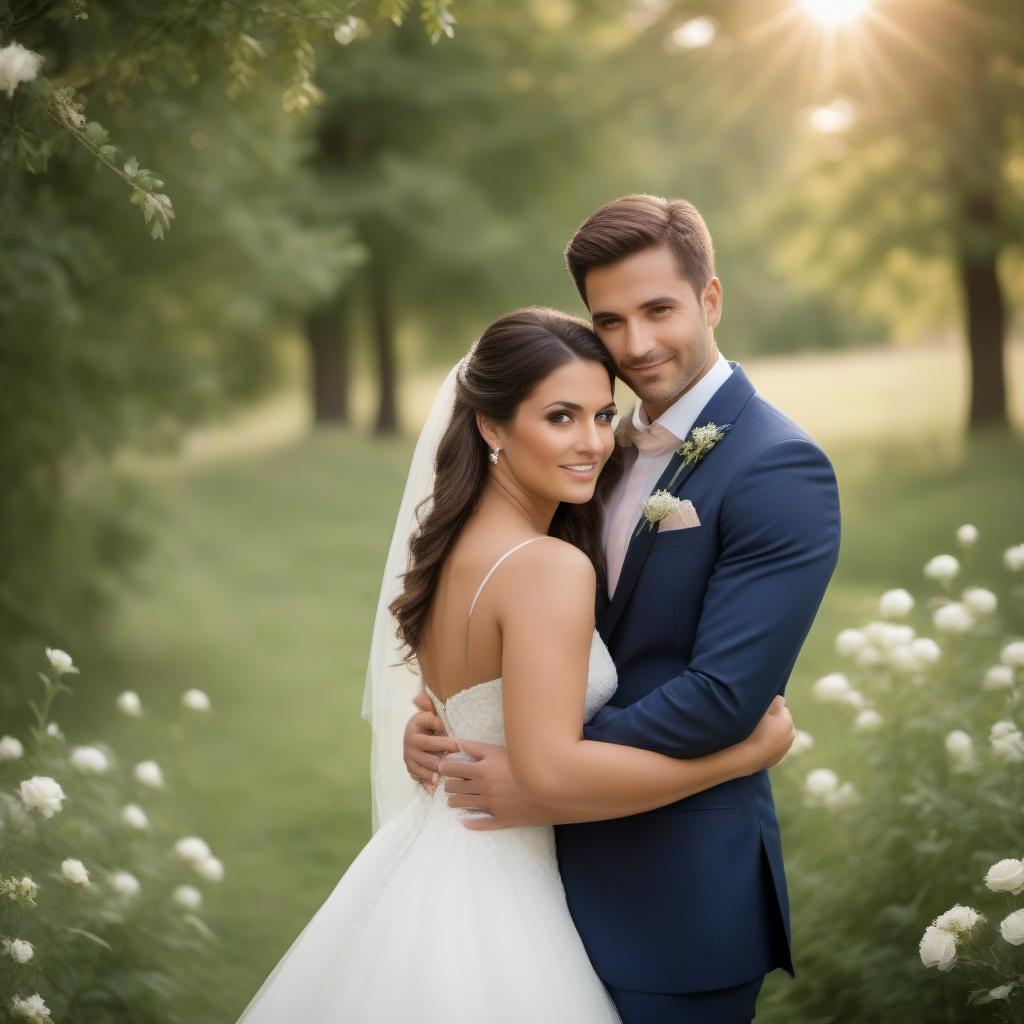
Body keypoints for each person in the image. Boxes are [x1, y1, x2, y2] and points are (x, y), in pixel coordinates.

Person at [234, 306, 796, 1023]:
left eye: (602, 414)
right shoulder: (547, 568)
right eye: (560, 417)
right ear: (491, 426)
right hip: (498, 888)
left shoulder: (451, 547)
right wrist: (740, 757)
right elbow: (550, 773)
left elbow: (467, 702)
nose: (593, 442)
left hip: (437, 859)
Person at [404, 196, 842, 1024]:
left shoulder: (778, 469)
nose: (637, 345)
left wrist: (539, 773)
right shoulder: (587, 451)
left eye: (660, 310)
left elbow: (722, 698)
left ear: (711, 299)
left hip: (673, 898)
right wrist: (467, 731)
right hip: (533, 893)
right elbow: (514, 623)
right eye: (611, 320)